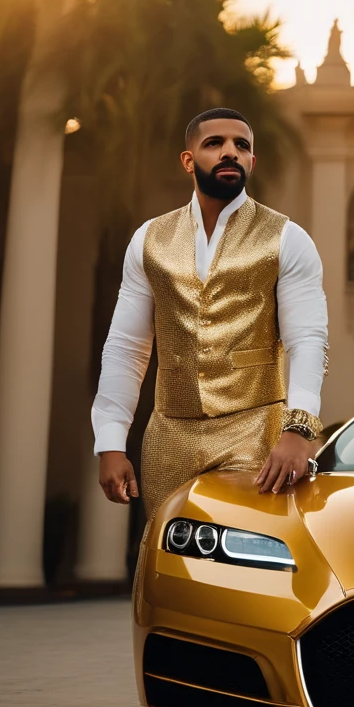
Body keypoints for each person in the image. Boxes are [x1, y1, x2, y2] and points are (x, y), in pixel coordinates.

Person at [91, 107, 329, 516]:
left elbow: (307, 341)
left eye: (242, 146)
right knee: (171, 563)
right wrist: (111, 442)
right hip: (169, 437)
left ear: (252, 162)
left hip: (257, 434)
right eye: (214, 143)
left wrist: (298, 429)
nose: (230, 152)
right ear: (188, 160)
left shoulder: (288, 239)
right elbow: (126, 347)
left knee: (250, 561)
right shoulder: (148, 241)